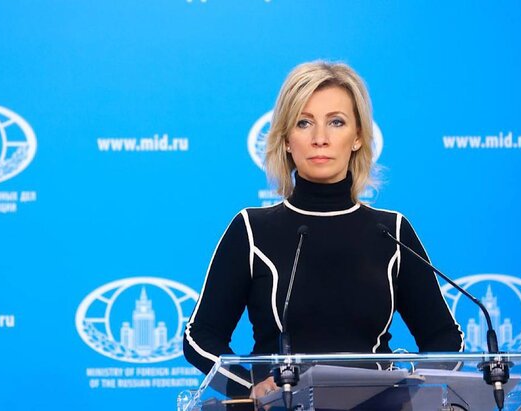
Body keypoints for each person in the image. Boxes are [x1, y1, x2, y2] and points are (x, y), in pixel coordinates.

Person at [183, 61, 464, 400]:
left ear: (358, 137)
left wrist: (414, 392)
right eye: (304, 123)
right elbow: (200, 337)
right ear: (287, 140)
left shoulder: (391, 231)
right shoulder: (252, 230)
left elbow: (445, 339)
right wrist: (249, 388)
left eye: (336, 122)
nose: (320, 139)